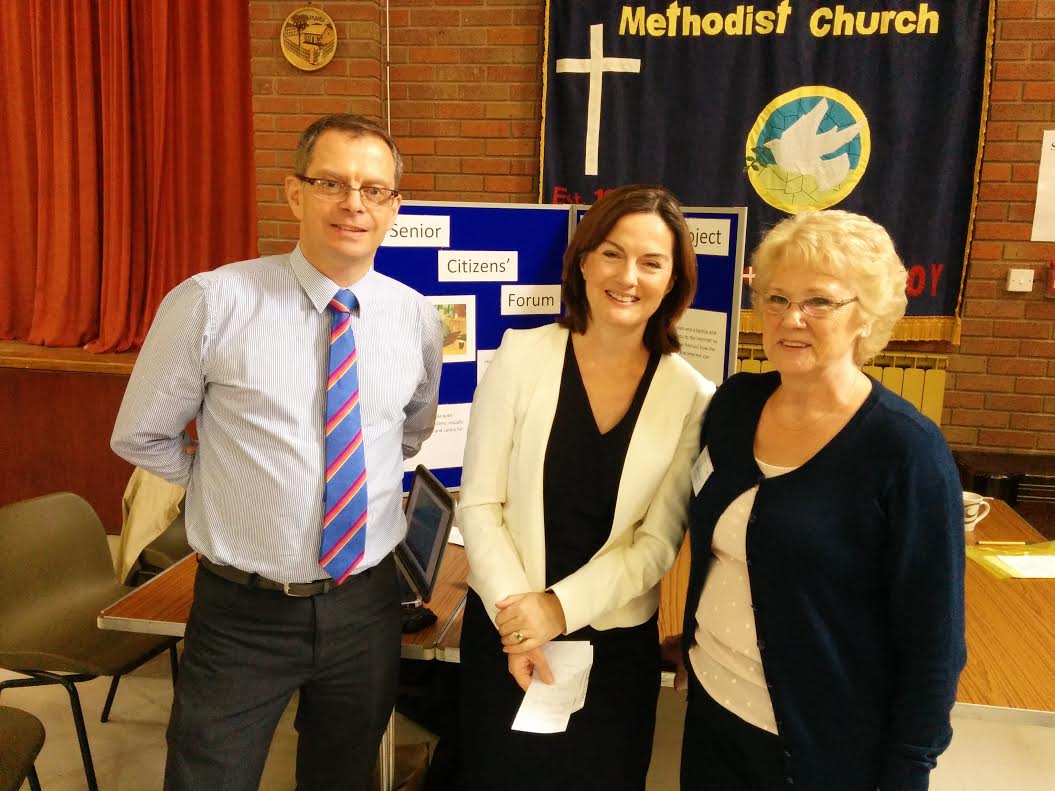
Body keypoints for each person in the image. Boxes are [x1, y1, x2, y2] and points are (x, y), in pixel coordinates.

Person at [111, 114, 443, 790]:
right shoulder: (214, 302)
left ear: (394, 208)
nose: (354, 203)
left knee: (343, 776)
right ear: (294, 194)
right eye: (332, 183)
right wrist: (225, 484)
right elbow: (140, 433)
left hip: (364, 604)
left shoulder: (415, 317)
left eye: (374, 190)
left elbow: (408, 430)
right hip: (243, 614)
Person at [679, 210, 965, 790]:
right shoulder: (735, 406)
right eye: (777, 298)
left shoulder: (905, 449)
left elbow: (933, 639)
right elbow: (729, 549)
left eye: (819, 302)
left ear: (867, 317)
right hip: (710, 711)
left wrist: (909, 770)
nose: (791, 319)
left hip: (816, 746)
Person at [457, 185, 716, 791]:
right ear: (582, 260)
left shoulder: (691, 396)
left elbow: (657, 544)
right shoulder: (521, 355)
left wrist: (558, 609)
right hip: (504, 624)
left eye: (652, 262)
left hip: (614, 642)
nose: (629, 277)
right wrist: (521, 619)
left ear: (674, 281)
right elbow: (479, 503)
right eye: (612, 253)